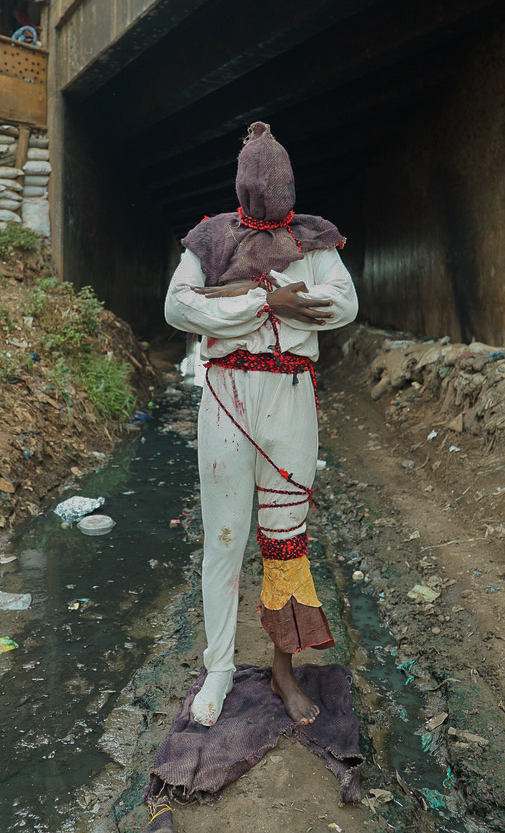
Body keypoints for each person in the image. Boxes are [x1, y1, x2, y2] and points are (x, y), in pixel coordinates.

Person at [165, 122, 358, 729]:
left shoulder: (313, 237)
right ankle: (219, 668)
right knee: (224, 541)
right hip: (226, 396)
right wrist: (267, 302)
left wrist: (229, 303)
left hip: (290, 396)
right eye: (261, 183)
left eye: (281, 184)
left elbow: (343, 304)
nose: (271, 194)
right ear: (241, 185)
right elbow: (177, 307)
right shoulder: (211, 237)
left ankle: (282, 669)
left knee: (285, 539)